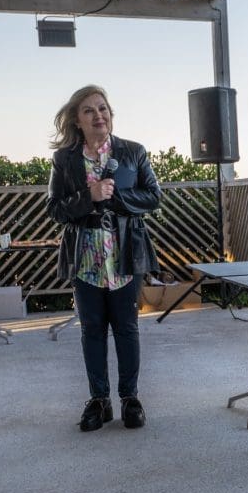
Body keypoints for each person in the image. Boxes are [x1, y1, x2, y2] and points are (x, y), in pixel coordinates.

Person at [47, 84, 161, 432]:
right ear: (77, 121)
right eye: (89, 110)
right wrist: (89, 195)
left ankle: (130, 398)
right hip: (85, 258)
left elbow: (153, 197)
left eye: (103, 108)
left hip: (125, 254)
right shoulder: (64, 159)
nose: (98, 115)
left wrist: (116, 198)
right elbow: (55, 209)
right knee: (93, 330)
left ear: (110, 114)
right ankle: (99, 400)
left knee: (127, 328)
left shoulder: (133, 152)